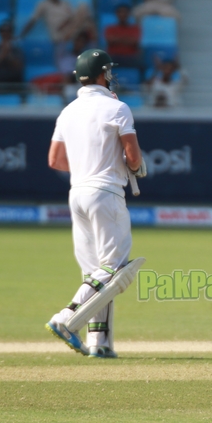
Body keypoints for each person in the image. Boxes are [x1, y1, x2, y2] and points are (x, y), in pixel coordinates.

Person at [45, 49, 148, 360]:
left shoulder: (68, 110)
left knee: (95, 271)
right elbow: (133, 158)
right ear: (103, 74)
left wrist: (86, 164)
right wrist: (132, 165)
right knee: (114, 269)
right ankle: (66, 318)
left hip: (77, 192)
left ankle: (99, 342)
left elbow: (55, 160)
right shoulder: (117, 108)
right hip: (106, 193)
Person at [19, 0, 96, 72]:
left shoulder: (65, 2)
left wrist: (69, 22)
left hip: (70, 27)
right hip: (59, 33)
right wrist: (21, 35)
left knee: (84, 9)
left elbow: (72, 17)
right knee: (83, 9)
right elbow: (33, 20)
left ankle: (92, 47)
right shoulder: (43, 4)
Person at [104, 3, 144, 74]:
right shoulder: (110, 28)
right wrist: (127, 39)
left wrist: (117, 39)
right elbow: (110, 40)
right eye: (120, 12)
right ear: (116, 14)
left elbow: (134, 42)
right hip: (114, 56)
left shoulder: (135, 28)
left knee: (142, 65)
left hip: (130, 57)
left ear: (128, 14)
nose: (122, 14)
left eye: (125, 12)